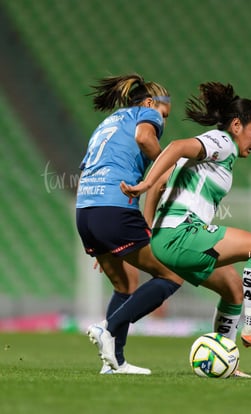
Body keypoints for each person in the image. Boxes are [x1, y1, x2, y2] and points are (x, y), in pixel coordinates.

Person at [120, 82, 251, 367]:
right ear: (237, 125)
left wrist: (149, 228)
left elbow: (163, 183)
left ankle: (222, 362)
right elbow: (175, 147)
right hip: (182, 234)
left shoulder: (215, 154)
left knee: (233, 289)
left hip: (167, 239)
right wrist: (146, 183)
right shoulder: (222, 142)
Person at [75, 73, 183, 374]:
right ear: (150, 103)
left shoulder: (107, 124)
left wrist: (104, 235)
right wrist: (167, 166)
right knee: (172, 275)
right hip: (113, 207)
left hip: (86, 210)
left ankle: (114, 363)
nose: (162, 122)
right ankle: (108, 328)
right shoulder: (145, 115)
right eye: (164, 114)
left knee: (125, 283)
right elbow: (144, 138)